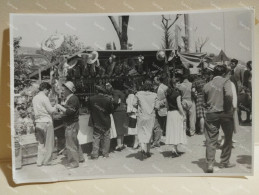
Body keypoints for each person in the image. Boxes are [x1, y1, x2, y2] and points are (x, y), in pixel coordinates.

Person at [203, 65, 236, 173]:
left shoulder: (207, 85)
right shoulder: (226, 81)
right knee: (227, 137)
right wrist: (227, 109)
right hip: (225, 113)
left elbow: (204, 102)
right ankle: (224, 161)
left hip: (211, 114)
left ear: (213, 73)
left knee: (211, 140)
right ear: (223, 74)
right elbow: (229, 95)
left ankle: (210, 164)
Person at [56, 81, 85, 168]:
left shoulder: (73, 98)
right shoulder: (70, 98)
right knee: (74, 141)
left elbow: (69, 112)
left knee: (70, 143)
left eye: (64, 89)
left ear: (68, 90)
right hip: (72, 123)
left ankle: (74, 162)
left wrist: (59, 106)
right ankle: (80, 157)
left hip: (71, 124)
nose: (62, 91)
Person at [32, 82, 57, 166]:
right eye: (48, 91)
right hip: (46, 122)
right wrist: (56, 106)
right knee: (49, 143)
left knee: (41, 143)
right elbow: (51, 110)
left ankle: (39, 161)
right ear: (45, 89)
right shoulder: (45, 98)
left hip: (38, 123)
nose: (49, 92)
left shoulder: (35, 98)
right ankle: (47, 161)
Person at [87, 85, 114, 159]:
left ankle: (95, 154)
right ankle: (105, 153)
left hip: (96, 121)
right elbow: (111, 111)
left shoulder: (91, 99)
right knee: (106, 137)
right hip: (106, 121)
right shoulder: (108, 99)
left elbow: (89, 109)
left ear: (97, 91)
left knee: (96, 137)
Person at [134, 80, 157, 160]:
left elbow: (134, 104)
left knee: (141, 131)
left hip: (141, 115)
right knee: (149, 132)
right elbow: (157, 106)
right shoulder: (154, 95)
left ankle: (143, 148)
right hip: (150, 116)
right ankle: (148, 151)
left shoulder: (138, 94)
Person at [165, 79, 187, 157]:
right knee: (177, 130)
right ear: (174, 84)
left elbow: (167, 105)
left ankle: (174, 149)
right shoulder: (177, 94)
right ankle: (174, 150)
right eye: (177, 83)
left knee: (172, 130)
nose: (179, 84)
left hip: (170, 113)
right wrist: (183, 114)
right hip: (176, 113)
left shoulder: (167, 93)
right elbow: (179, 105)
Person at [106, 83, 128, 151]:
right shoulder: (120, 92)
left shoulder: (115, 92)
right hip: (123, 111)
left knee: (118, 128)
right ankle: (121, 144)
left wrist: (109, 98)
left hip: (118, 112)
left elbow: (115, 102)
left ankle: (119, 145)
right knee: (122, 129)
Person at [151, 76, 168, 148]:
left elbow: (167, 98)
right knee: (157, 125)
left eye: (154, 80)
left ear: (158, 80)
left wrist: (160, 103)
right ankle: (156, 141)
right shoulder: (156, 88)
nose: (153, 81)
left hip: (163, 109)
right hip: (157, 110)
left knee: (164, 125)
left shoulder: (165, 88)